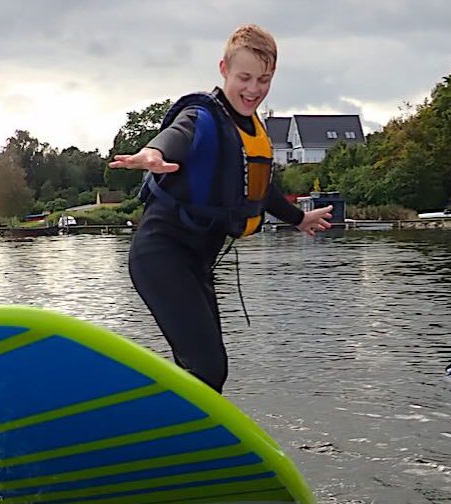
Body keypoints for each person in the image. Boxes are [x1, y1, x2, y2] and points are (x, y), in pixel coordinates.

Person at [109, 24, 333, 393]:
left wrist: (299, 218)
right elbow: (177, 136)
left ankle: (178, 438)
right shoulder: (204, 116)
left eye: (264, 80)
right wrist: (153, 153)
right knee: (206, 367)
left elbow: (261, 191)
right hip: (161, 255)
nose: (254, 89)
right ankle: (151, 429)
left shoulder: (250, 132)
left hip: (197, 261)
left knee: (211, 371)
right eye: (245, 77)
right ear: (224, 69)